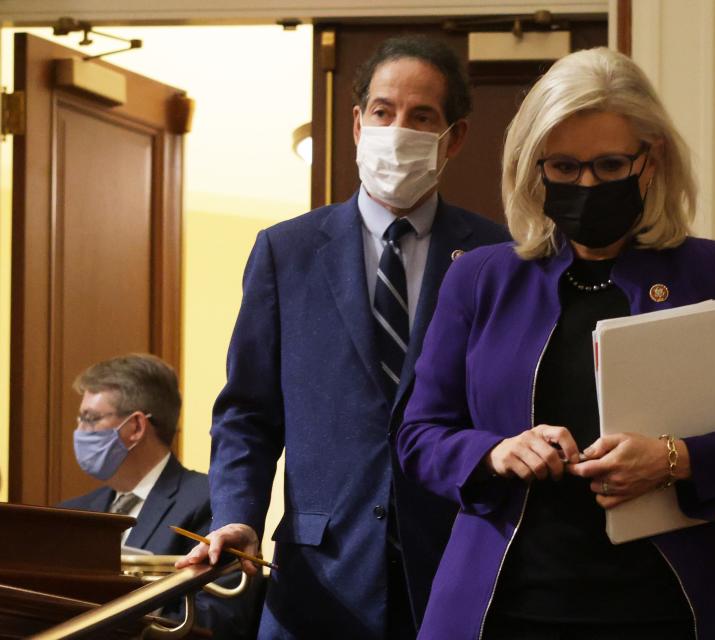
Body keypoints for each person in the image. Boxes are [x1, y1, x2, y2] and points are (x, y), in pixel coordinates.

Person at [394, 47, 715, 640]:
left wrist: (675, 458)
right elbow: (420, 436)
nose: (586, 184)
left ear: (652, 161)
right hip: (504, 610)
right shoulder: (481, 278)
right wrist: (494, 454)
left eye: (610, 165)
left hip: (669, 609)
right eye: (564, 168)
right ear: (533, 168)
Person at [177, 36, 510, 639]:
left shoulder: (497, 256)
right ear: (357, 124)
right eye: (383, 112)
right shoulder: (287, 251)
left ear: (453, 137)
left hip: (457, 567)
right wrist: (237, 517)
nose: (396, 128)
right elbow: (247, 413)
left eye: (421, 116)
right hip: (317, 578)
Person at [60, 353, 258, 639]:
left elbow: (219, 617)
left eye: (90, 419)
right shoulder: (72, 513)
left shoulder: (214, 504)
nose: (79, 432)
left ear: (136, 427)